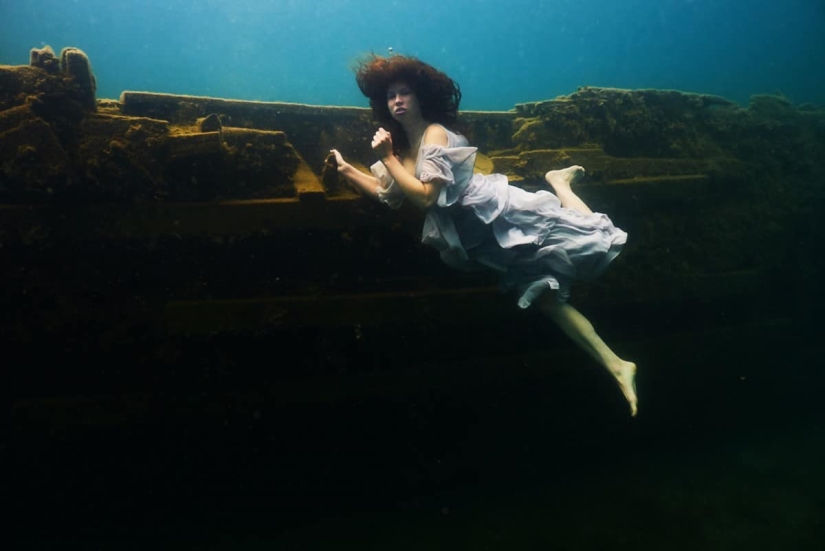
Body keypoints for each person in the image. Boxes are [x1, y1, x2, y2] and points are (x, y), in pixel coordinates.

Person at [330, 54, 638, 416]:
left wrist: (388, 158)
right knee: (545, 297)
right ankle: (616, 364)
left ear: (421, 97)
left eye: (404, 93)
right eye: (390, 96)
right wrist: (347, 170)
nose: (397, 101)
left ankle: (560, 184)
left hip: (495, 213)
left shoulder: (434, 134)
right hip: (477, 237)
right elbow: (390, 195)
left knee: (592, 236)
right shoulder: (404, 148)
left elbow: (426, 197)